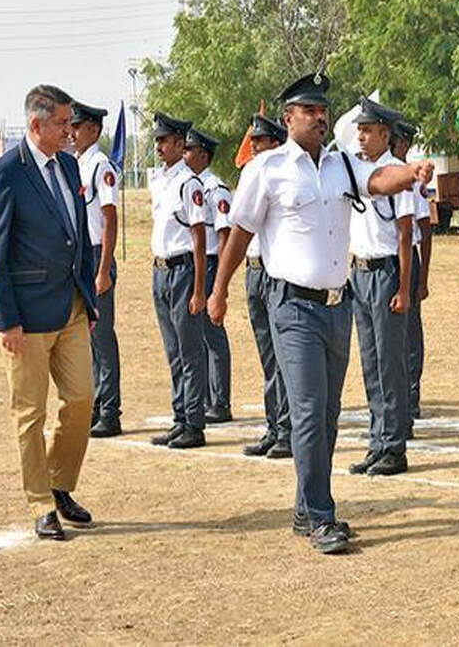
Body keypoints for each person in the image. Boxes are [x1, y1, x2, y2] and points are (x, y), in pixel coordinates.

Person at [208, 72, 433, 554]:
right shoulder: (265, 169)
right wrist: (218, 289)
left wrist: (411, 173)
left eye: (322, 110)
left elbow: (379, 179)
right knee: (308, 410)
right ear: (288, 118)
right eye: (309, 111)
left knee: (327, 414)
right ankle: (321, 516)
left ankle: (303, 508)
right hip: (291, 306)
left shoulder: (340, 165)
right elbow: (241, 231)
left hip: (337, 305)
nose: (319, 117)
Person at [0, 84, 98, 541]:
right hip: (26, 317)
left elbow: (79, 234)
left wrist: (86, 297)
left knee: (83, 399)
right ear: (36, 125)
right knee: (29, 413)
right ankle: (41, 503)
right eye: (63, 124)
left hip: (69, 308)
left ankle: (59, 483)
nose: (71, 131)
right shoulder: (6, 174)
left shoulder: (69, 166)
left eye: (71, 123)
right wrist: (6, 320)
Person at [346, 97, 416, 477]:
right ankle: (378, 441)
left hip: (386, 272)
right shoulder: (359, 171)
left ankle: (394, 446)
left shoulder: (397, 173)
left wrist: (404, 288)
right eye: (359, 129)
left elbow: (406, 235)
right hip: (359, 272)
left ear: (385, 135)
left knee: (390, 363)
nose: (361, 136)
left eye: (367, 130)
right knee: (371, 363)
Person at [149, 112, 211, 449]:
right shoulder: (160, 180)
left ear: (178, 143)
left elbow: (199, 238)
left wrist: (200, 289)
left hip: (183, 270)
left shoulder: (190, 184)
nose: (159, 146)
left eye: (164, 140)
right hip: (160, 270)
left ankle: (194, 422)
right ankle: (180, 418)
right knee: (173, 350)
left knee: (189, 351)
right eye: (157, 140)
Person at [239, 113, 293, 459]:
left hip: (274, 272)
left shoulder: (280, 173)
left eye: (259, 141)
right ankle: (274, 425)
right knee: (266, 356)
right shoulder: (251, 174)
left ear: (275, 142)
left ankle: (287, 430)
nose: (253, 146)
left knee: (282, 357)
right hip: (253, 269)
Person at [71, 100, 123, 438]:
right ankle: (93, 406)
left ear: (94, 129)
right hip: (79, 257)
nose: (71, 133)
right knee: (84, 340)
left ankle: (110, 411)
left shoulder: (100, 166)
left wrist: (103, 270)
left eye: (77, 127)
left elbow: (109, 219)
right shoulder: (75, 163)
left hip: (96, 256)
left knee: (102, 338)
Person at [184, 126, 234, 424]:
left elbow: (225, 234)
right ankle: (203, 397)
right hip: (197, 263)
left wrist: (219, 284)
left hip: (213, 262)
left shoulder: (215, 188)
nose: (184, 153)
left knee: (212, 334)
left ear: (203, 154)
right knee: (197, 335)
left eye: (189, 149)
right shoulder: (192, 185)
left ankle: (220, 401)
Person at [391, 119, 431, 428]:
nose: (395, 146)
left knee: (409, 335)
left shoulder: (413, 183)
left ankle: (412, 395)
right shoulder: (385, 175)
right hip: (387, 259)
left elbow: (425, 231)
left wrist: (423, 279)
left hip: (409, 259)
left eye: (399, 141)